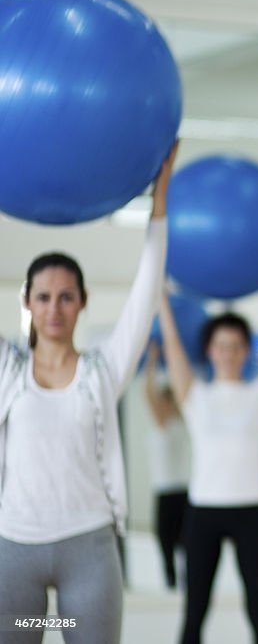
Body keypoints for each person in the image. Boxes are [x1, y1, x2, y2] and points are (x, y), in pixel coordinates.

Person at [0, 141, 178, 644]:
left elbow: (146, 291)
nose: (54, 307)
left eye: (65, 297)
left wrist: (158, 205)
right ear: (28, 304)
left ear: (82, 304)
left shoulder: (103, 371)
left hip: (89, 550)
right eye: (43, 297)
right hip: (14, 549)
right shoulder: (8, 372)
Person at [159, 248, 258, 644]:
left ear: (245, 350)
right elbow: (170, 339)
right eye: (221, 345)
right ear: (209, 351)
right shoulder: (194, 394)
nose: (228, 352)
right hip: (202, 513)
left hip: (250, 513)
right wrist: (160, 290)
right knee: (194, 615)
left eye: (235, 345)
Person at [143, 341, 191, 590]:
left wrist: (160, 359)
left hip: (181, 492)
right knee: (166, 544)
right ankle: (171, 583)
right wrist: (153, 362)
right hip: (165, 492)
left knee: (185, 544)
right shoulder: (162, 424)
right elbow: (149, 394)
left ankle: (184, 582)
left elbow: (183, 390)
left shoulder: (181, 423)